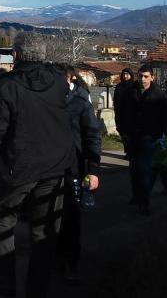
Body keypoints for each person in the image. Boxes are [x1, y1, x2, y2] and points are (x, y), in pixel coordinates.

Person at [0, 33, 73, 298]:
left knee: (1, 221)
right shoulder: (58, 83)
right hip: (55, 166)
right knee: (43, 232)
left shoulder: (6, 87)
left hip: (18, 166)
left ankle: (5, 286)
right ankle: (37, 291)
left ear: (16, 56)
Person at [56, 65, 101, 283]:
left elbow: (92, 134)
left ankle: (71, 262)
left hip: (73, 168)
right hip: (49, 168)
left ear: (69, 78)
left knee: (71, 218)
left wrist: (92, 169)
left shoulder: (80, 101)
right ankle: (54, 261)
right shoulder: (48, 100)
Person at [121, 64, 167, 215]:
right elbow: (124, 112)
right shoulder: (130, 92)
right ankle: (137, 196)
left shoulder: (159, 95)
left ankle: (144, 201)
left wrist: (156, 134)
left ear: (152, 77)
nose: (142, 79)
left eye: (146, 76)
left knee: (144, 170)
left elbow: (164, 118)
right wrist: (124, 132)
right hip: (132, 136)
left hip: (149, 137)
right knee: (134, 169)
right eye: (141, 76)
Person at [114, 67, 135, 154]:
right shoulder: (119, 86)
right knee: (122, 132)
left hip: (131, 113)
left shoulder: (134, 86)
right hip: (120, 113)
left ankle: (131, 151)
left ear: (131, 75)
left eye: (127, 74)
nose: (125, 76)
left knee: (130, 133)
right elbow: (115, 99)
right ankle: (127, 150)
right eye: (124, 74)